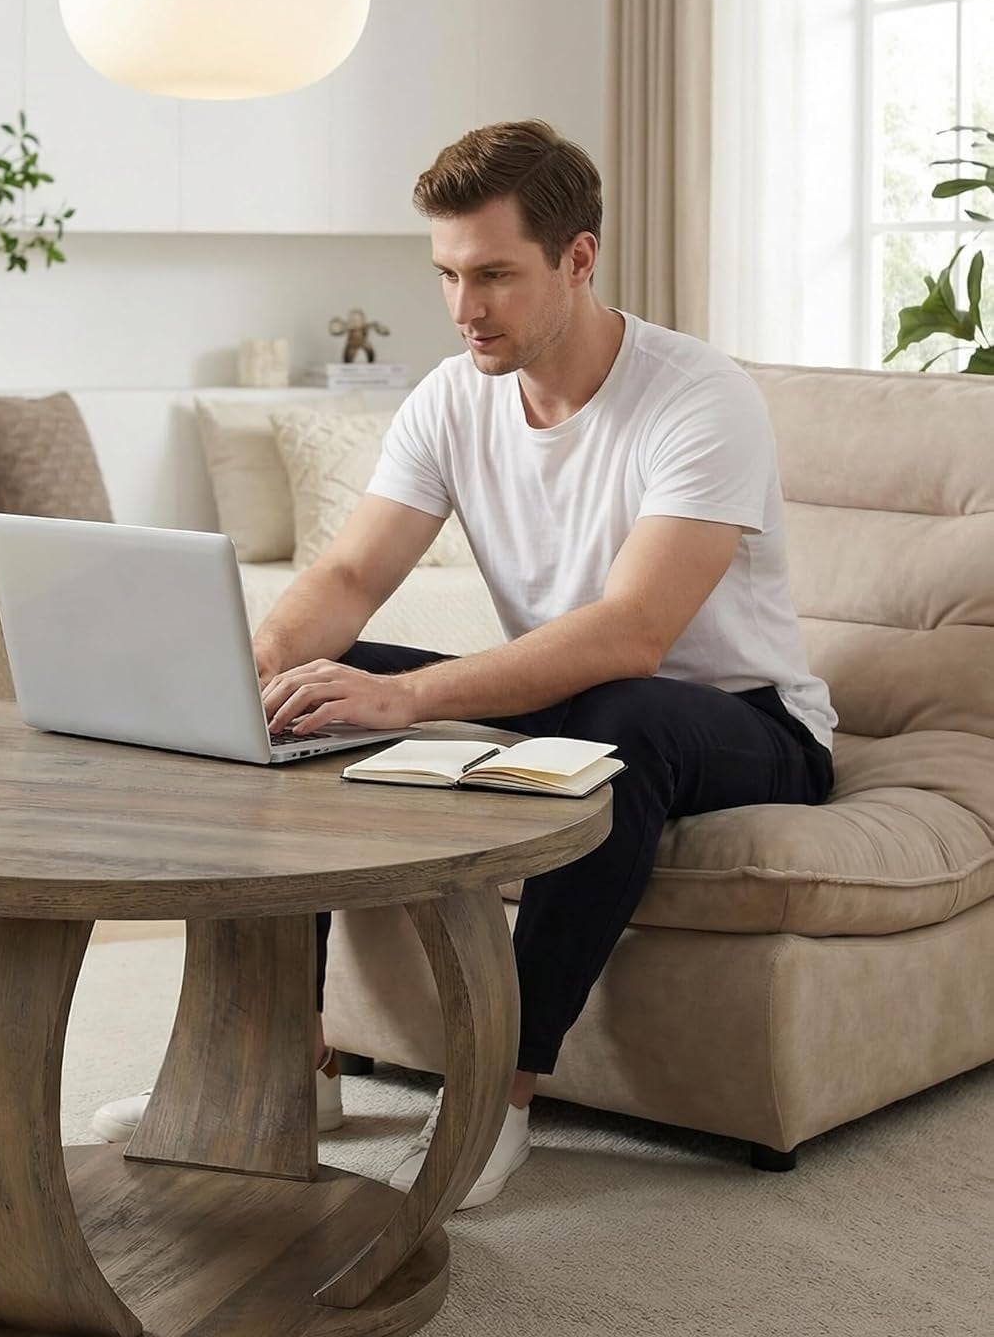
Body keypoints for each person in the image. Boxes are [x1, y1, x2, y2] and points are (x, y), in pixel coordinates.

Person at [93, 118, 836, 1208]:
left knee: (624, 717)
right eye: (445, 273)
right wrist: (242, 674)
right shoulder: (452, 396)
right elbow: (348, 580)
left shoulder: (696, 398)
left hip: (744, 722)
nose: (462, 307)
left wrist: (402, 695)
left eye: (493, 274)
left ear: (579, 260)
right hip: (575, 700)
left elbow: (634, 634)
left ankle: (498, 1094)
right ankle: (285, 1062)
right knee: (295, 695)